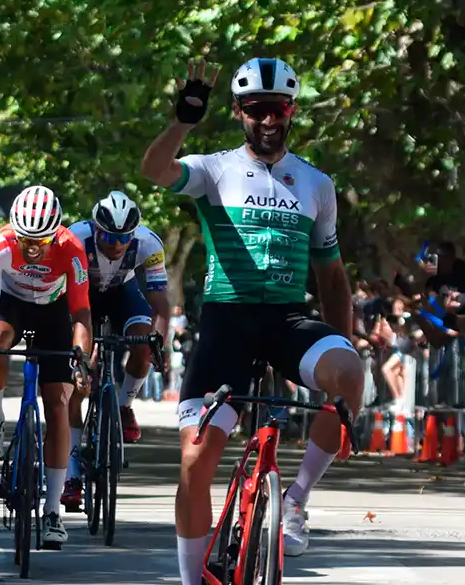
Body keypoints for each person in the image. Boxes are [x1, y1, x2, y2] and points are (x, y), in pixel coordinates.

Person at [140, 57, 363, 584]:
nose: (269, 119)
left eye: (278, 108)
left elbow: (332, 278)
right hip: (227, 322)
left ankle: (295, 500)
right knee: (196, 464)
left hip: (287, 319)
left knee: (351, 374)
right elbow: (153, 170)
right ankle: (192, 579)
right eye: (257, 109)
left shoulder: (316, 183)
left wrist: (344, 344)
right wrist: (183, 122)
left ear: (292, 111)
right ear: (240, 112)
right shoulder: (214, 169)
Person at [0, 184, 92, 549]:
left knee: (57, 404)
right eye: (26, 239)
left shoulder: (72, 248)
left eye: (42, 240)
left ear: (56, 234)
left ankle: (52, 510)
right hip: (12, 304)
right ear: (13, 230)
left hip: (54, 311)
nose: (34, 248)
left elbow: (81, 310)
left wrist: (81, 356)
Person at [60, 190, 171, 510]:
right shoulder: (75, 239)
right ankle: (71, 472)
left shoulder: (149, 245)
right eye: (108, 236)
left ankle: (124, 406)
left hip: (124, 293)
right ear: (95, 228)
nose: (116, 244)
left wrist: (158, 344)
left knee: (143, 343)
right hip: (84, 298)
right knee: (80, 376)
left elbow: (160, 302)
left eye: (124, 238)